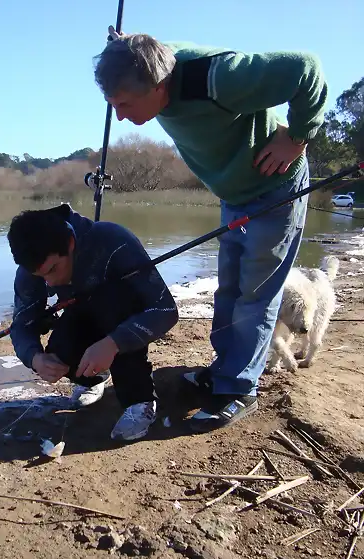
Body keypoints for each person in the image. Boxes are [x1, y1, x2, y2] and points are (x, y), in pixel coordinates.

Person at [94, 31, 327, 432]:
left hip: (274, 190)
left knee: (256, 294)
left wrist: (298, 136)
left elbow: (305, 69)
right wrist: (123, 45)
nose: (119, 116)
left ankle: (238, 389)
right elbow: (143, 55)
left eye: (125, 104)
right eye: (112, 105)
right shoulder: (146, 66)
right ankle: (225, 370)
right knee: (230, 287)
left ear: (159, 85)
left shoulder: (219, 77)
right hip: (233, 195)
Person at [7, 203, 178, 441]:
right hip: (80, 314)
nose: (51, 283)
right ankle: (95, 379)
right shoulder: (31, 269)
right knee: (59, 351)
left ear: (70, 243)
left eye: (54, 269)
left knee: (114, 305)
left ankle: (141, 401)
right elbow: (21, 325)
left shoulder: (112, 239)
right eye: (41, 276)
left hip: (124, 315)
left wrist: (113, 343)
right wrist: (34, 358)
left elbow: (166, 310)